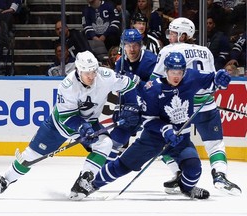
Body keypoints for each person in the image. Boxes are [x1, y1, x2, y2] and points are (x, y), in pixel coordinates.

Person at [0, 50, 140, 201]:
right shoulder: (67, 86)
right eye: (87, 73)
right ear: (78, 70)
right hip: (58, 126)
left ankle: (82, 183)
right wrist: (82, 127)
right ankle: (3, 182)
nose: (91, 76)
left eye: (93, 71)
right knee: (30, 156)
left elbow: (130, 85)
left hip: (89, 123)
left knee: (105, 143)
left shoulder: (106, 76)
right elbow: (67, 117)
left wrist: (131, 105)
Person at [72, 52, 233, 200]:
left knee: (194, 168)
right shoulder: (153, 89)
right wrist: (165, 129)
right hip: (153, 138)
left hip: (180, 138)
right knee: (123, 165)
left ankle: (186, 188)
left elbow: (213, 80)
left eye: (179, 72)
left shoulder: (191, 77)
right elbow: (148, 120)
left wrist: (221, 78)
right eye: (173, 72)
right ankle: (91, 185)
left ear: (184, 70)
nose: (176, 76)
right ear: (166, 70)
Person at [151, 17, 241, 195]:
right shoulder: (205, 50)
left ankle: (178, 173)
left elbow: (155, 81)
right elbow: (214, 80)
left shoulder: (169, 51)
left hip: (178, 107)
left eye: (173, 33)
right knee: (215, 144)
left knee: (160, 140)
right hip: (206, 104)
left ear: (184, 35)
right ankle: (220, 176)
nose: (170, 36)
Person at [106, 28, 157, 162]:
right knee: (117, 136)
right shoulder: (119, 63)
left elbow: (156, 89)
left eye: (135, 45)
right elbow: (120, 90)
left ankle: (177, 169)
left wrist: (137, 81)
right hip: (131, 106)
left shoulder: (151, 61)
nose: (132, 49)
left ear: (140, 45)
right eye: (128, 45)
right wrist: (120, 108)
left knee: (157, 140)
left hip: (151, 107)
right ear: (123, 46)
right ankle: (104, 167)